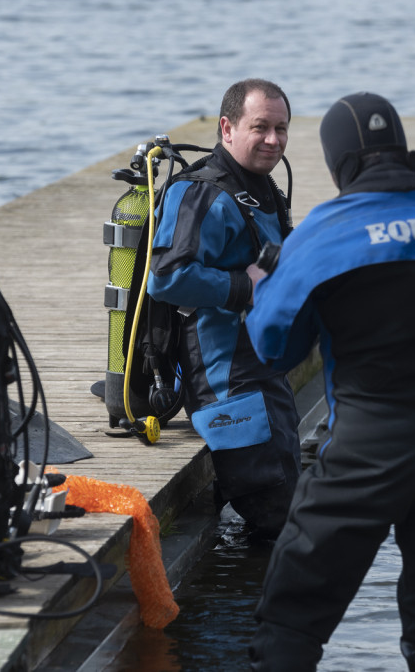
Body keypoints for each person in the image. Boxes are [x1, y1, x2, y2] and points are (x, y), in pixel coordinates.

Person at [245, 92, 415, 670]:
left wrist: (266, 283)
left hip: (366, 450)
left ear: (337, 163)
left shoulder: (322, 235)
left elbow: (272, 348)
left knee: (292, 619)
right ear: (404, 149)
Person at [146, 79, 301, 539]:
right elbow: (166, 278)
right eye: (261, 127)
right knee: (282, 522)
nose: (273, 140)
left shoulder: (261, 187)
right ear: (227, 127)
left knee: (288, 514)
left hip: (265, 373)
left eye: (281, 128)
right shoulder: (202, 194)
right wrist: (242, 288)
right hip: (227, 383)